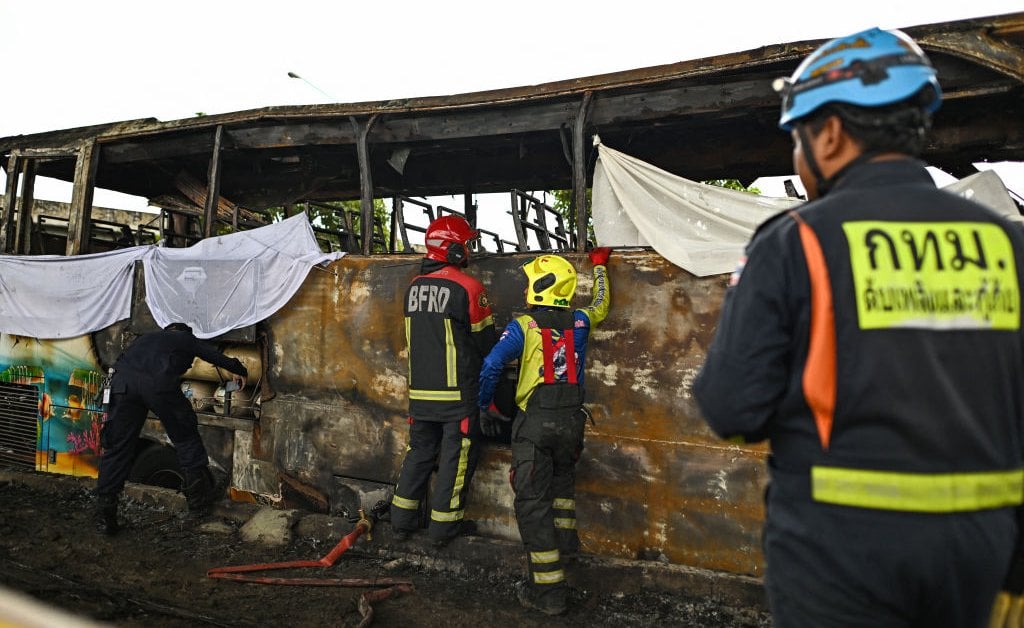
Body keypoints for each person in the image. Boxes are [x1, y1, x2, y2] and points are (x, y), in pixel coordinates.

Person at [692, 27, 1024, 627]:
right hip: (983, 549)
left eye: (797, 139)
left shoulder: (798, 242)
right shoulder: (1008, 244)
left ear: (832, 132)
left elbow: (730, 406)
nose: (797, 157)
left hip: (840, 551)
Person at [478, 248, 611, 616]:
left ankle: (550, 594)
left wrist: (486, 405)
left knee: (533, 504)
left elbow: (491, 365)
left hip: (534, 426)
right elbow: (601, 303)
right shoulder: (582, 321)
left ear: (542, 286)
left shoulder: (524, 326)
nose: (524, 290)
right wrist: (600, 267)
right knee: (562, 490)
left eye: (529, 283)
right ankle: (569, 556)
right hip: (572, 423)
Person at [389, 215, 497, 547]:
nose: (469, 250)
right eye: (465, 244)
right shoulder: (469, 288)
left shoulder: (411, 289)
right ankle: (442, 531)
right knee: (456, 458)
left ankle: (401, 523)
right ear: (450, 249)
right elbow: (486, 344)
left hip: (420, 395)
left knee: (419, 453)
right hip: (458, 397)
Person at [95, 322, 248, 535]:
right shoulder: (183, 339)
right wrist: (239, 370)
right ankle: (198, 502)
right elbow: (213, 356)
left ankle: (106, 515)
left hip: (123, 385)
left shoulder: (145, 338)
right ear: (183, 333)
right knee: (185, 435)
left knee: (118, 446)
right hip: (159, 386)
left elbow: (122, 362)